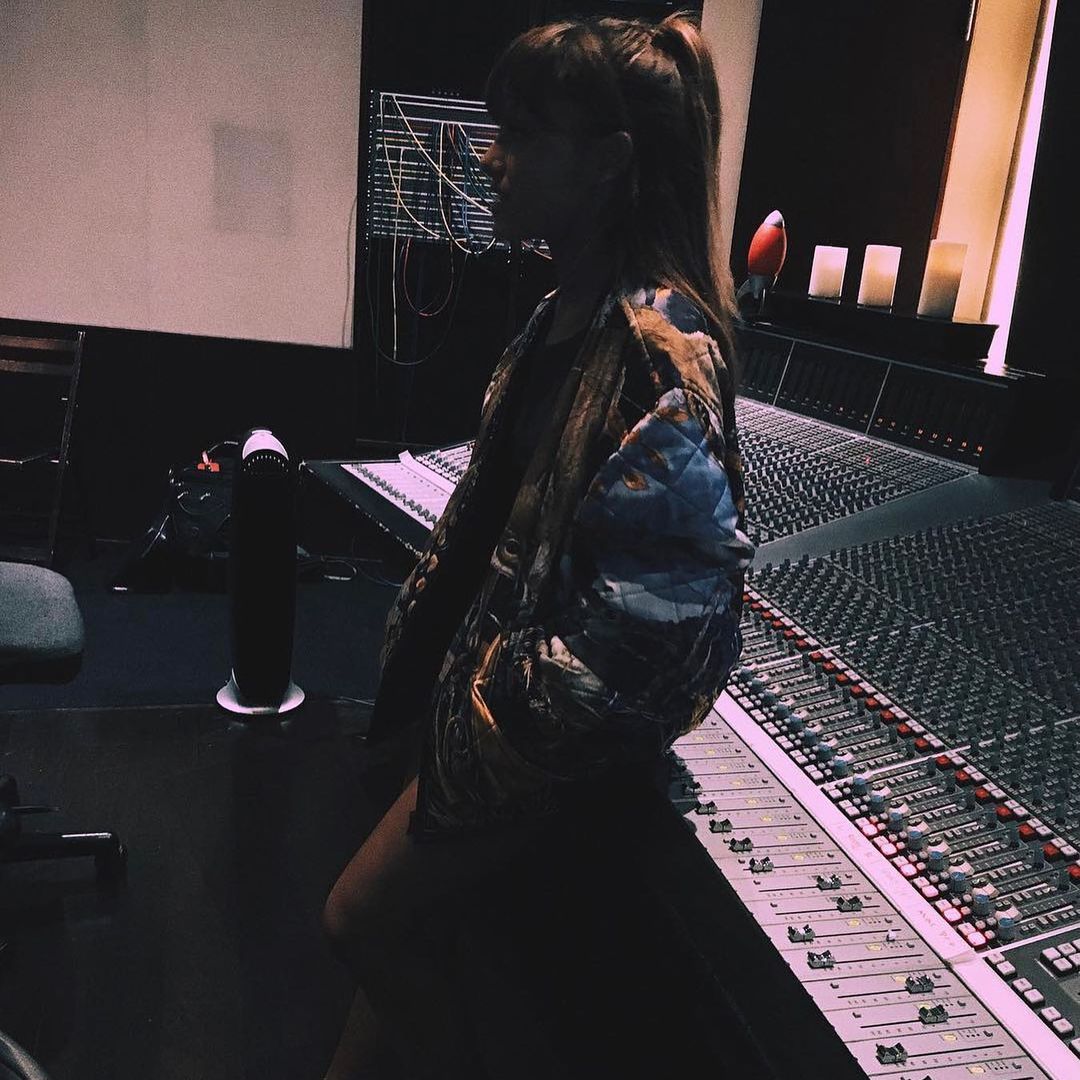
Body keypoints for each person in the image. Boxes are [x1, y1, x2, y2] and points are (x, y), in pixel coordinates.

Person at [321, 11, 754, 1079]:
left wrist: (483, 735)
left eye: (520, 132)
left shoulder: (659, 355)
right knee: (411, 954)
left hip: (510, 747)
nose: (487, 154)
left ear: (606, 163)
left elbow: (653, 641)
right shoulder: (563, 314)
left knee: (360, 919)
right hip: (471, 719)